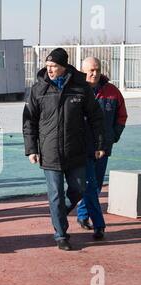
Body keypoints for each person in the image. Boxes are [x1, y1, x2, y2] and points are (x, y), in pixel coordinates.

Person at [23, 48, 106, 251]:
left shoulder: (80, 88)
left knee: (79, 188)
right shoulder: (38, 89)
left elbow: (96, 117)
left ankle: (59, 212)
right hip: (50, 152)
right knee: (56, 195)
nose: (50, 70)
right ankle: (61, 234)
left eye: (54, 66)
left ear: (64, 67)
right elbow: (29, 121)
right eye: (48, 66)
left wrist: (100, 144)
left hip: (75, 151)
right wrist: (31, 148)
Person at [76, 57, 128, 239]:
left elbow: (121, 116)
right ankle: (93, 221)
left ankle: (82, 214)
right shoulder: (76, 90)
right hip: (81, 147)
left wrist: (113, 137)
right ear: (82, 71)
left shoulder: (112, 92)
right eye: (90, 70)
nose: (94, 73)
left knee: (95, 185)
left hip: (102, 148)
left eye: (97, 70)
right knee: (87, 184)